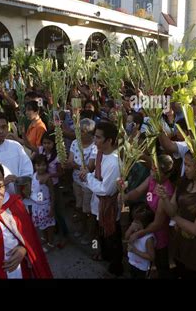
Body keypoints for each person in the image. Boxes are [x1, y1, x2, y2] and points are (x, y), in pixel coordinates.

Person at [157, 151, 196, 279]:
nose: (186, 169)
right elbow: (172, 210)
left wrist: (175, 218)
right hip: (180, 243)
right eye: (185, 164)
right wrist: (164, 198)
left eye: (189, 166)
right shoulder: (183, 183)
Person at [80, 121, 123, 276]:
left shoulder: (114, 162)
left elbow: (105, 190)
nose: (95, 140)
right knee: (103, 234)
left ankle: (116, 267)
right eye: (95, 136)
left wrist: (87, 178)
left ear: (109, 141)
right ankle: (105, 256)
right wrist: (89, 176)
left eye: (98, 137)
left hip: (109, 208)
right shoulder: (100, 152)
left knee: (112, 237)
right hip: (98, 205)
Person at [125, 154, 175, 278]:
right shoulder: (152, 179)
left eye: (156, 171)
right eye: (152, 169)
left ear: (167, 175)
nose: (152, 172)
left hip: (157, 234)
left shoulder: (166, 192)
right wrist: (125, 196)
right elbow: (137, 192)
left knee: (159, 264)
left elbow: (158, 223)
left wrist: (139, 233)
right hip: (146, 227)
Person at [67, 118, 97, 245]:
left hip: (88, 184)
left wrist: (76, 166)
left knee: (88, 211)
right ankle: (81, 229)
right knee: (79, 206)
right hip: (76, 181)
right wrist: (80, 168)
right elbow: (69, 161)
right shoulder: (75, 142)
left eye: (81, 131)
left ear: (89, 133)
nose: (78, 133)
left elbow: (90, 167)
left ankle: (90, 235)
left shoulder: (95, 146)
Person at [30, 155, 56, 252]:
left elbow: (52, 193)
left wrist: (52, 208)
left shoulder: (47, 178)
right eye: (38, 165)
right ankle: (45, 238)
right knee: (41, 224)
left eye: (43, 165)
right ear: (35, 166)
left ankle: (51, 243)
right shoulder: (34, 175)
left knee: (48, 226)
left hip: (45, 206)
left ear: (47, 165)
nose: (41, 167)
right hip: (36, 206)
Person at [127, 204, 156, 279]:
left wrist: (135, 251)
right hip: (132, 262)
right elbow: (126, 237)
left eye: (137, 222)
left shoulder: (148, 239)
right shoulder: (134, 230)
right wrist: (130, 229)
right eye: (134, 220)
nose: (134, 223)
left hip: (142, 268)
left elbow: (151, 257)